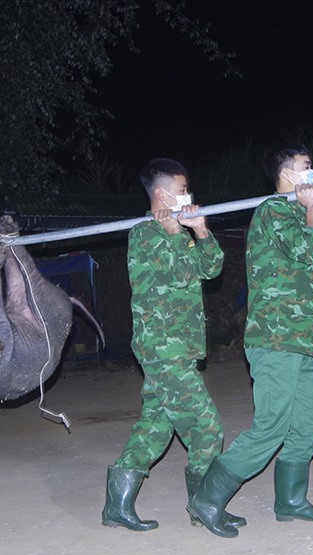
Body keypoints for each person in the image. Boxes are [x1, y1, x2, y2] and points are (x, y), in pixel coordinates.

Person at [188, 144, 313, 538]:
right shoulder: (273, 211)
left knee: (308, 422)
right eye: (306, 167)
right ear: (287, 175)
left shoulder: (296, 212)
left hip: (299, 340)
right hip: (274, 338)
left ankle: (290, 502)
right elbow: (311, 246)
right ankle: (207, 498)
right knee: (272, 424)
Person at [102, 158, 244, 532]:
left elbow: (211, 268)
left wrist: (201, 232)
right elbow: (182, 271)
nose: (189, 195)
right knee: (207, 427)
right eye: (182, 190)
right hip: (163, 349)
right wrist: (178, 234)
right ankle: (204, 504)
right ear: (162, 193)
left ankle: (117, 506)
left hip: (178, 347)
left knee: (155, 427)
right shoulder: (145, 235)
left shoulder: (177, 231)